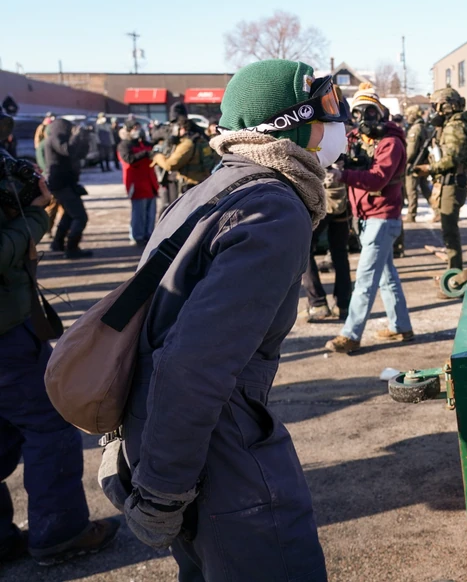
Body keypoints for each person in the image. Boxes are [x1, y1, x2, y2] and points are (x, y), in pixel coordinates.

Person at [108, 60, 338, 580]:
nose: (340, 123)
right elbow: (195, 363)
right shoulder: (274, 207)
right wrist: (164, 489)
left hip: (169, 432)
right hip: (216, 447)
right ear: (292, 123)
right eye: (327, 109)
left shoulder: (216, 187)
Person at [0, 110, 120, 566]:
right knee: (50, 426)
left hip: (12, 324)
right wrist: (32, 219)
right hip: (7, 336)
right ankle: (60, 533)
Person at [326, 87, 413, 353]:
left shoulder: (391, 143)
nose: (366, 118)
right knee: (386, 275)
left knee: (365, 278)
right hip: (365, 217)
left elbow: (377, 179)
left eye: (371, 111)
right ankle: (401, 327)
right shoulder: (355, 138)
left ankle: (351, 334)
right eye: (360, 112)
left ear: (382, 114)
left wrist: (343, 176)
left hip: (382, 218)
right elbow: (334, 148)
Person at [414, 88, 467, 269]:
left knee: (449, 229)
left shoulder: (455, 127)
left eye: (437, 106)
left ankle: (455, 270)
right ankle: (453, 265)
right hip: (449, 181)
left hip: (452, 182)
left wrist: (429, 168)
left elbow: (452, 159)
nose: (435, 111)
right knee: (448, 228)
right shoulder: (451, 125)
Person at [304, 163, 351, 322]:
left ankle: (318, 304)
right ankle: (343, 305)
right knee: (340, 251)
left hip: (321, 193)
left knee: (304, 248)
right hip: (342, 194)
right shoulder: (344, 139)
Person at [45, 117, 92, 258]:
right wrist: (76, 136)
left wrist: (84, 137)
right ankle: (72, 248)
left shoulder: (61, 139)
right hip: (61, 184)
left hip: (67, 183)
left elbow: (81, 153)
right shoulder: (54, 138)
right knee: (80, 216)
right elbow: (68, 150)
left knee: (69, 215)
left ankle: (57, 243)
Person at [117, 119, 158, 246]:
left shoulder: (144, 143)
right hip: (136, 183)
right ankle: (137, 235)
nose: (138, 130)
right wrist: (145, 153)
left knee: (150, 212)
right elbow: (129, 159)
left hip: (150, 182)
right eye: (135, 128)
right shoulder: (125, 145)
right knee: (139, 212)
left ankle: (148, 233)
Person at [152, 118, 215, 196]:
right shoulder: (201, 141)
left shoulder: (187, 144)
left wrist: (157, 156)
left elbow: (170, 165)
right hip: (203, 182)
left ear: (183, 129)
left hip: (190, 185)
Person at [403, 106, 434, 222]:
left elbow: (411, 150)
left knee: (411, 189)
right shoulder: (422, 127)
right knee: (425, 188)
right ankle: (437, 210)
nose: (406, 117)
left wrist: (404, 162)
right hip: (421, 163)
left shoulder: (415, 129)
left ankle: (411, 214)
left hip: (413, 164)